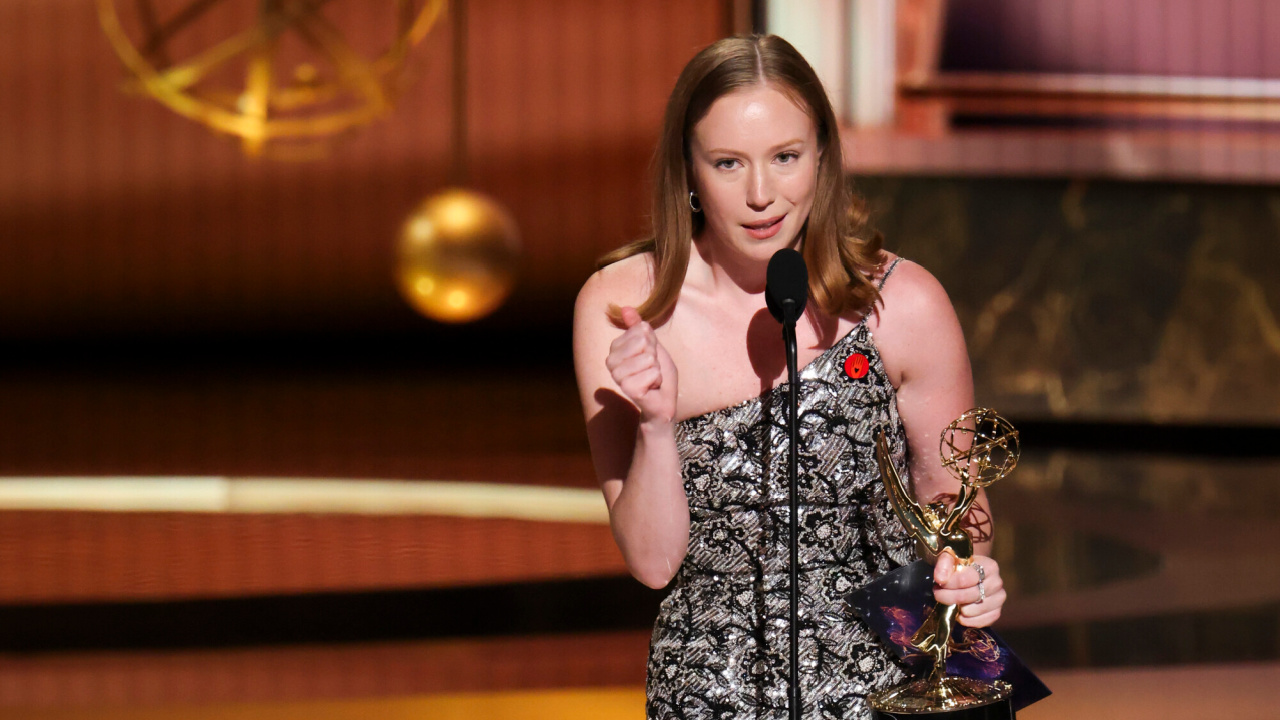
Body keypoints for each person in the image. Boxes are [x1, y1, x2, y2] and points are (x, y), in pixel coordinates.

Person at [572, 35, 1005, 719]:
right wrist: (656, 424)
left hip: (888, 683)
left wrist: (972, 576)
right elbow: (654, 564)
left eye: (785, 158)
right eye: (727, 163)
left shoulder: (903, 303)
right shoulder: (625, 308)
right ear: (687, 169)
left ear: (823, 157)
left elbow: (954, 506)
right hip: (709, 689)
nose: (760, 194)